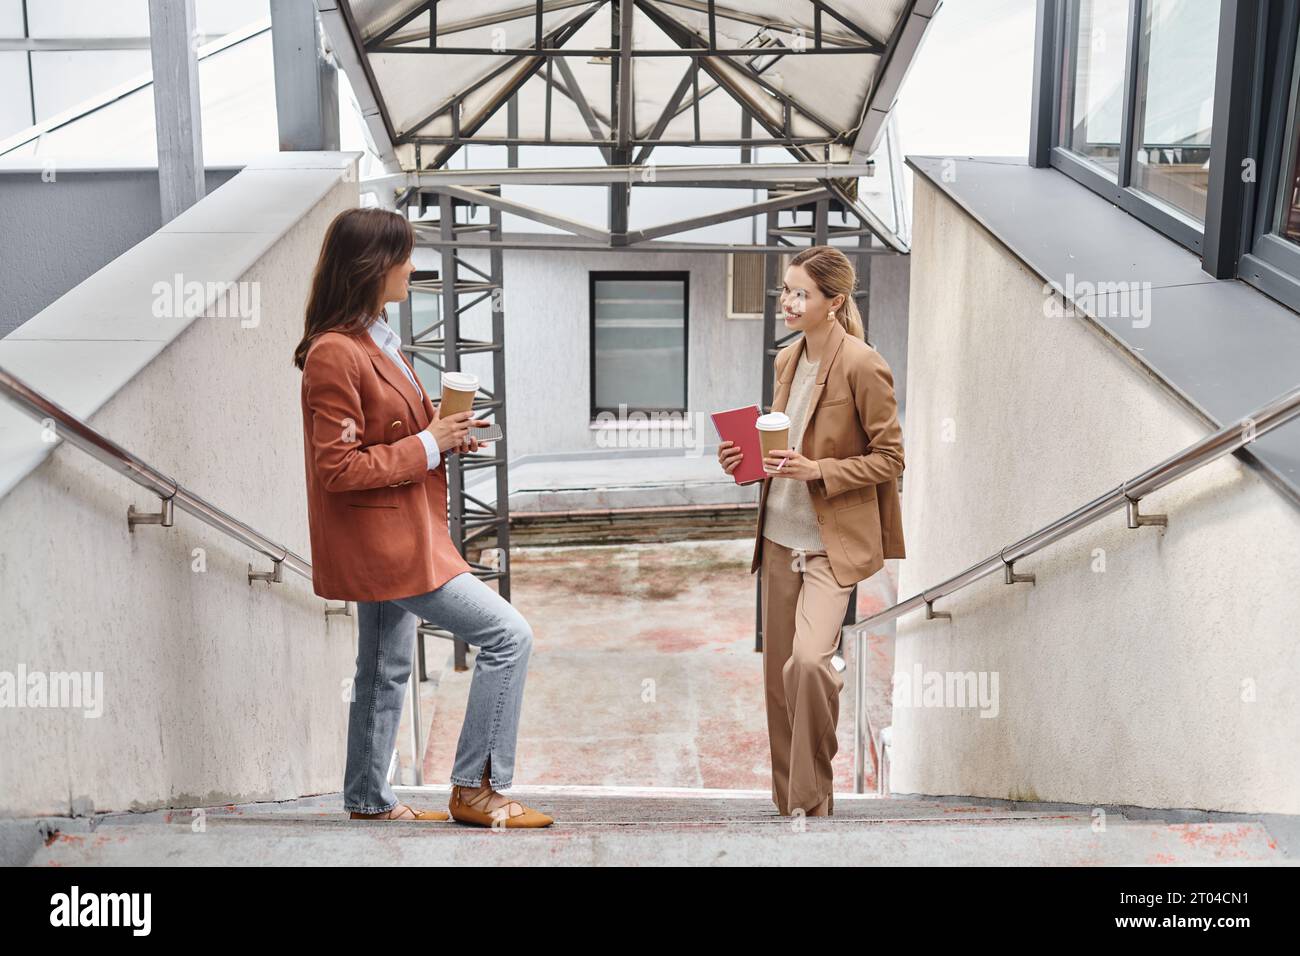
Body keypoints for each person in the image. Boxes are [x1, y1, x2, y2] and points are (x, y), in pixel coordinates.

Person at [293, 207, 552, 828]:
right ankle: (476, 789)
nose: (413, 265)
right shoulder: (335, 353)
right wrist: (431, 443)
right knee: (508, 637)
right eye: (404, 254)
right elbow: (339, 467)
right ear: (373, 266)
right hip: (389, 545)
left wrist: (447, 431)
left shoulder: (378, 339)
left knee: (384, 668)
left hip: (403, 532)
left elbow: (396, 429)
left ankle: (366, 798)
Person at [717, 245, 906, 817]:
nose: (789, 301)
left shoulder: (862, 364)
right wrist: (740, 460)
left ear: (834, 302)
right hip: (778, 538)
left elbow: (892, 459)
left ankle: (811, 801)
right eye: (786, 290)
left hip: (828, 546)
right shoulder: (786, 360)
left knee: (807, 664)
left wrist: (818, 469)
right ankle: (788, 807)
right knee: (779, 683)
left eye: (802, 293)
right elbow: (779, 448)